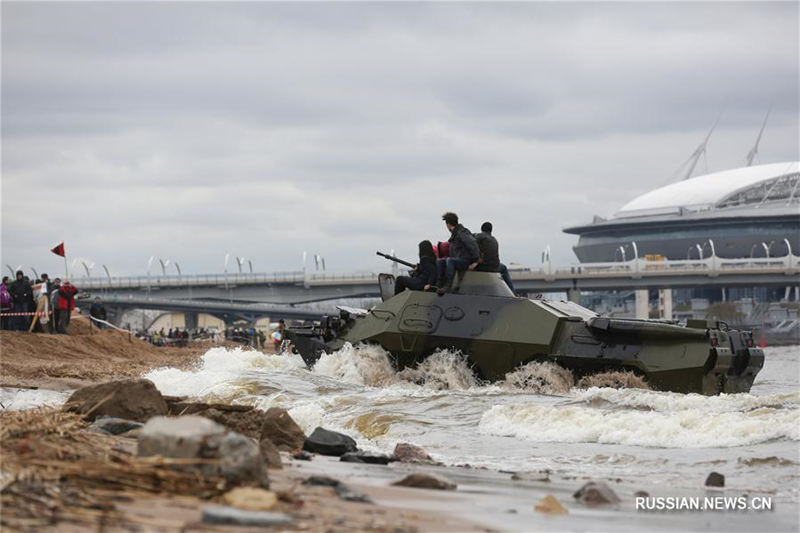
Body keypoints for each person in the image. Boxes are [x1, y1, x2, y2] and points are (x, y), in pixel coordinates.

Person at [436, 212, 480, 295]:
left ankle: (448, 286)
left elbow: (473, 243)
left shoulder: (462, 232)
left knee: (450, 261)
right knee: (440, 261)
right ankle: (438, 284)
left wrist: (476, 261)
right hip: (459, 259)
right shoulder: (455, 234)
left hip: (466, 260)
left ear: (448, 224)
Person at [474, 221, 515, 292]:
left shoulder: (479, 237)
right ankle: (512, 292)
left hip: (484, 267)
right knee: (504, 268)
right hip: (495, 267)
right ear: (491, 230)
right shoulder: (494, 239)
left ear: (481, 229)